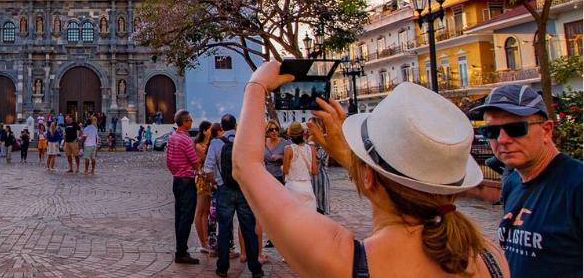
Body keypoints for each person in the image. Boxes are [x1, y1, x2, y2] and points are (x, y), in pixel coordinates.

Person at [233, 61, 509, 278]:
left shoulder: (347, 262)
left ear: (369, 176)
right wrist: (355, 158)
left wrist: (256, 85)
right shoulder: (490, 257)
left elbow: (247, 167)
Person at [470, 85, 582, 277]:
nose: (503, 139)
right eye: (491, 131)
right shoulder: (513, 182)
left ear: (546, 130)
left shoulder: (576, 184)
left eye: (515, 129)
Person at [205, 114, 263, 278]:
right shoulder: (245, 141)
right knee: (249, 229)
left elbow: (208, 169)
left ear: (222, 127)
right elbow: (257, 165)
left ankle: (222, 268)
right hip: (244, 189)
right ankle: (255, 269)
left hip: (224, 190)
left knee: (223, 230)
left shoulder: (216, 143)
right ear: (236, 125)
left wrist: (216, 183)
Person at [166, 109, 200, 265]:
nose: (192, 122)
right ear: (185, 122)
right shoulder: (186, 140)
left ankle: (180, 249)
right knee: (187, 217)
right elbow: (195, 161)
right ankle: (181, 251)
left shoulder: (172, 137)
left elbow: (169, 161)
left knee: (179, 216)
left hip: (177, 179)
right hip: (186, 180)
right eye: (190, 120)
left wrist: (176, 170)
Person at [283, 122, 317, 210]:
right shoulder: (311, 149)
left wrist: (281, 167)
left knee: (293, 216)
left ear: (290, 135)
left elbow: (285, 171)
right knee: (309, 216)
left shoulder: (288, 149)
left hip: (292, 186)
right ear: (303, 134)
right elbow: (314, 171)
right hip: (307, 186)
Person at [192, 120, 214, 254]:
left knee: (207, 212)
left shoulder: (209, 144)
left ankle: (207, 241)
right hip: (202, 179)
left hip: (209, 179)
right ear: (205, 131)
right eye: (211, 129)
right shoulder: (199, 146)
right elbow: (207, 160)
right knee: (200, 211)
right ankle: (203, 242)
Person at [309, 130, 331, 214]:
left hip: (321, 178)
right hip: (312, 179)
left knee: (321, 204)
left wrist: (311, 143)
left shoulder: (324, 146)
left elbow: (318, 158)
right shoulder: (311, 146)